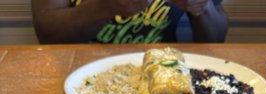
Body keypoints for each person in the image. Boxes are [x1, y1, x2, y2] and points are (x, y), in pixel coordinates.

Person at [31, 0, 228, 44]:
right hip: (77, 75)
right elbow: (47, 33)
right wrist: (105, 6)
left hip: (162, 72)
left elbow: (217, 38)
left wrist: (201, 7)